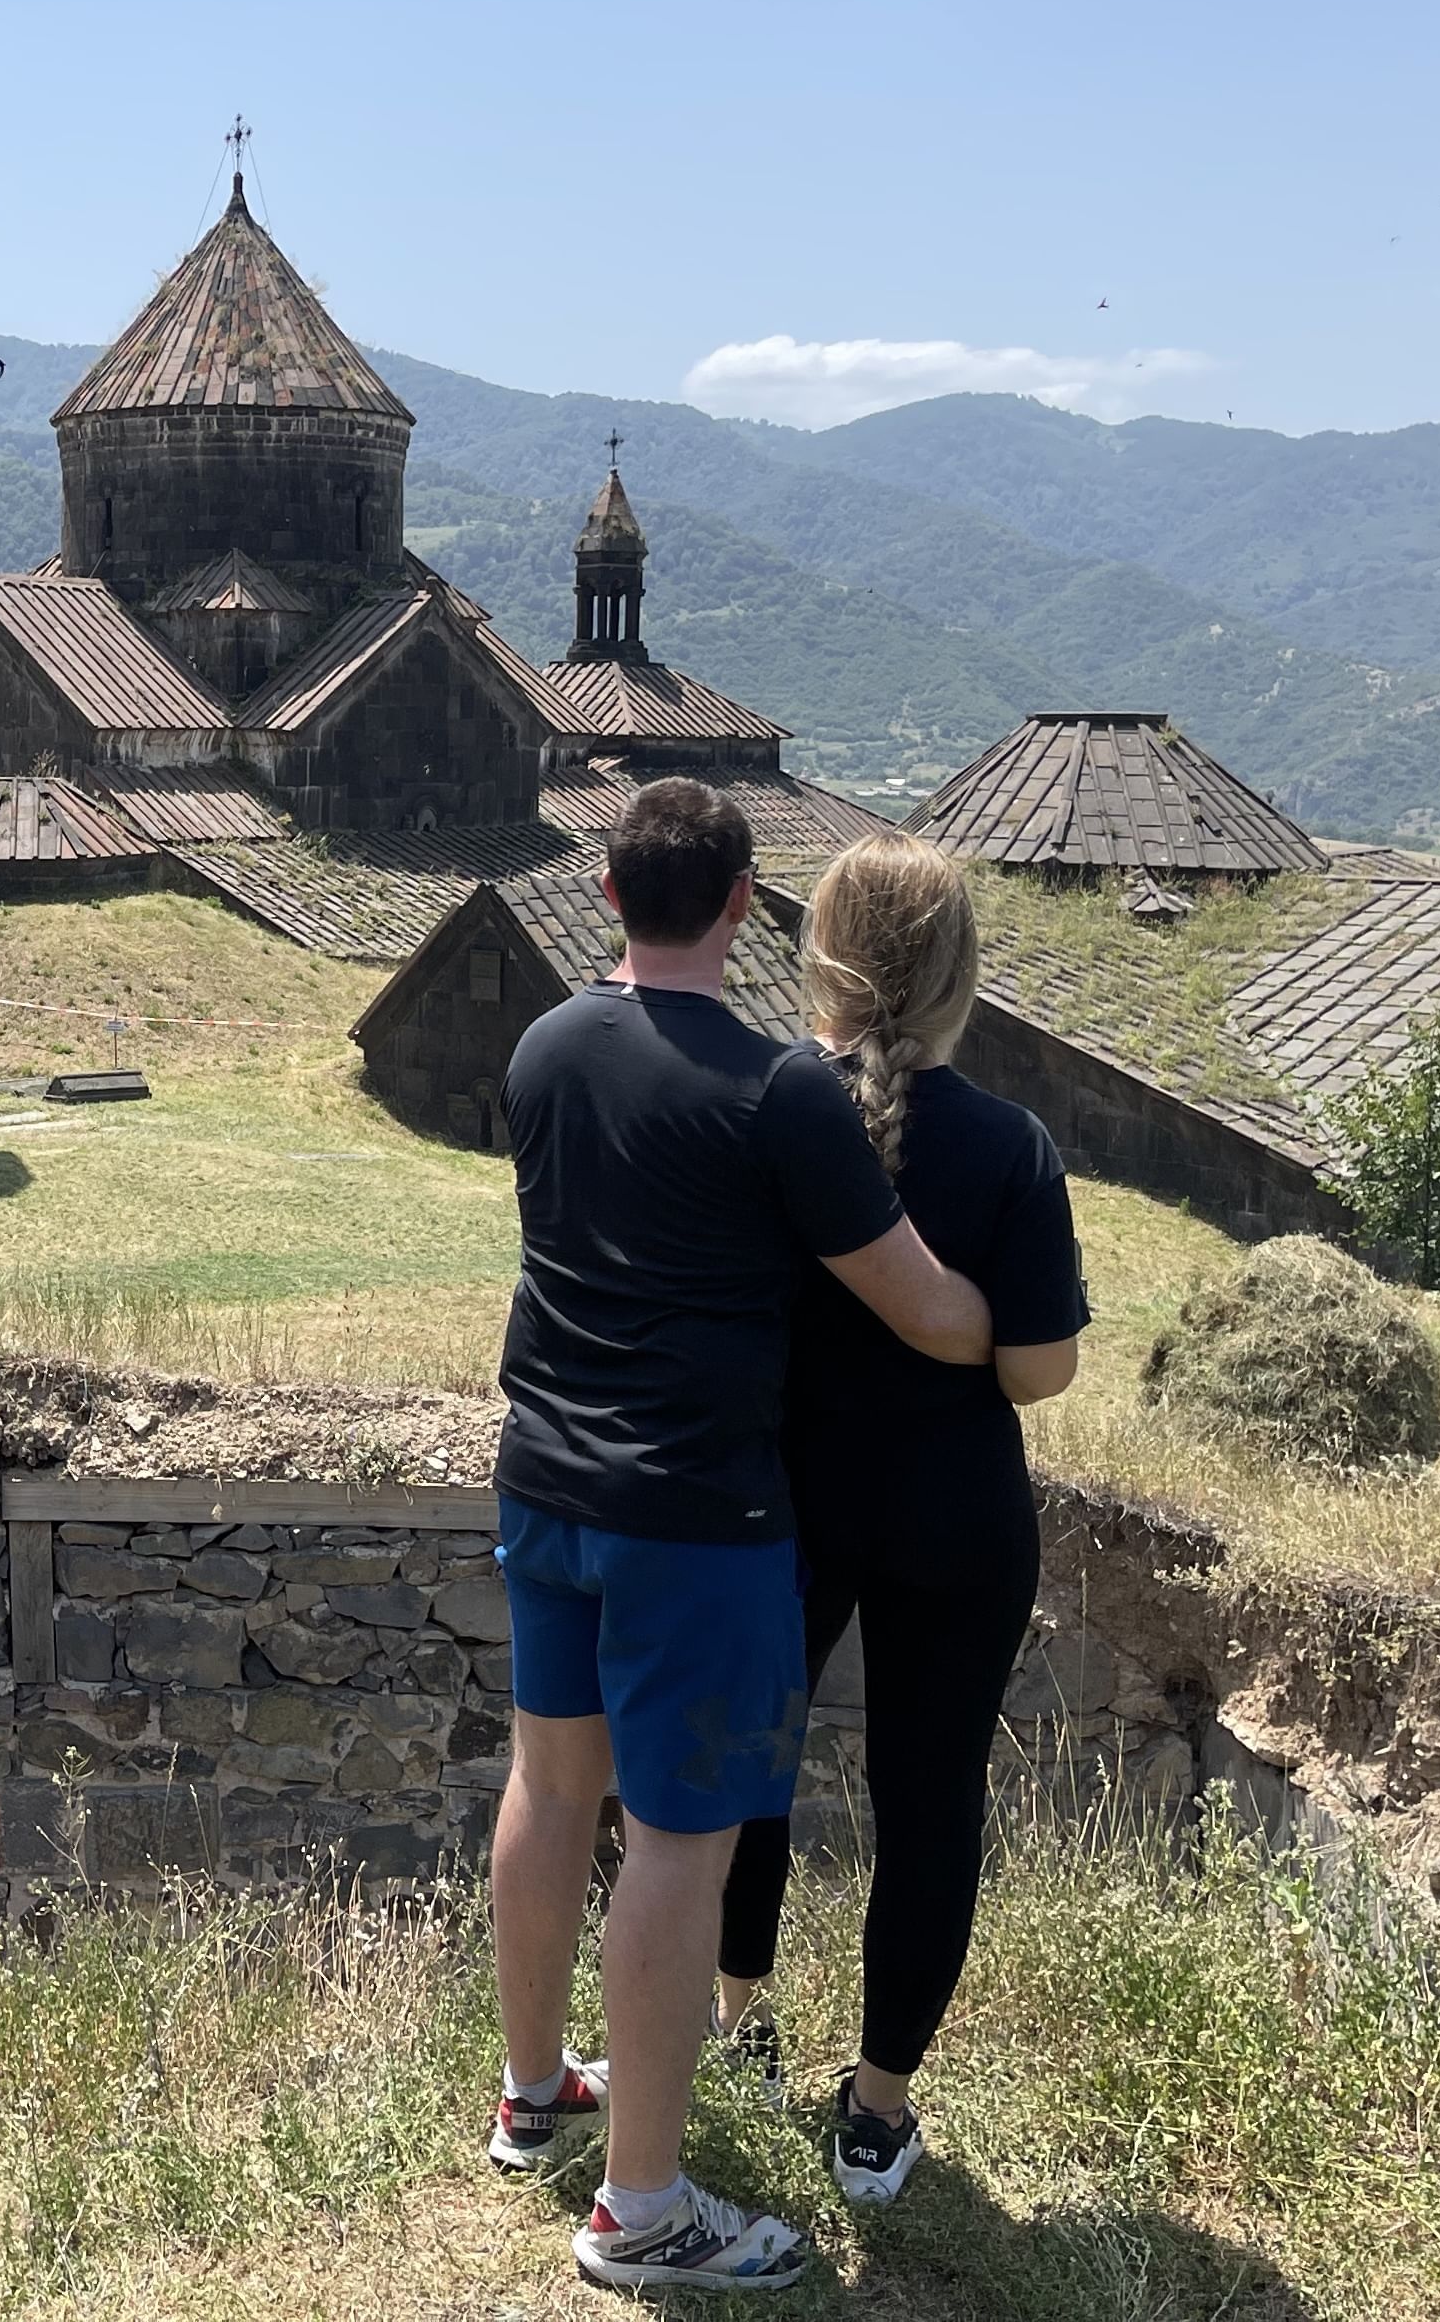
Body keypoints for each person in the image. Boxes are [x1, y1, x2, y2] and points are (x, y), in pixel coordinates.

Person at [483, 780, 998, 2297]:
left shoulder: (542, 1044)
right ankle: (643, 2210)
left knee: (549, 1788)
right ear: (738, 907)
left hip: (544, 1480)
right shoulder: (782, 1094)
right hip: (695, 1515)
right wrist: (1009, 1329)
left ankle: (533, 2095)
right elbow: (917, 1302)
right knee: (681, 1848)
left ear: (606, 898)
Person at [714, 834, 1087, 2208]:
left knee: (749, 1763)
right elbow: (1042, 1370)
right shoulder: (1010, 1149)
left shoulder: (764, 1105)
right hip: (955, 1511)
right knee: (930, 1803)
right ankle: (875, 2115)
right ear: (959, 977)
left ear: (818, 955)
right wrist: (969, 1322)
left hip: (780, 1494)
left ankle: (734, 2028)